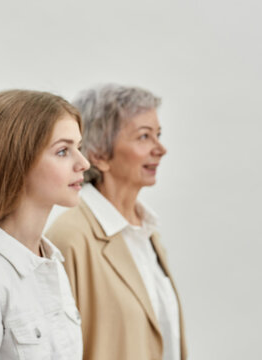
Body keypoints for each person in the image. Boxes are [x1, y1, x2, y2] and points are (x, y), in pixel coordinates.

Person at [0, 90, 89, 360]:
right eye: (63, 151)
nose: (83, 163)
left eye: (78, 148)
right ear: (17, 158)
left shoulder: (52, 263)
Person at [45, 84, 187, 360]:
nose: (161, 149)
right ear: (98, 154)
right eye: (144, 137)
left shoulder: (147, 232)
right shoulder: (70, 238)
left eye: (158, 135)